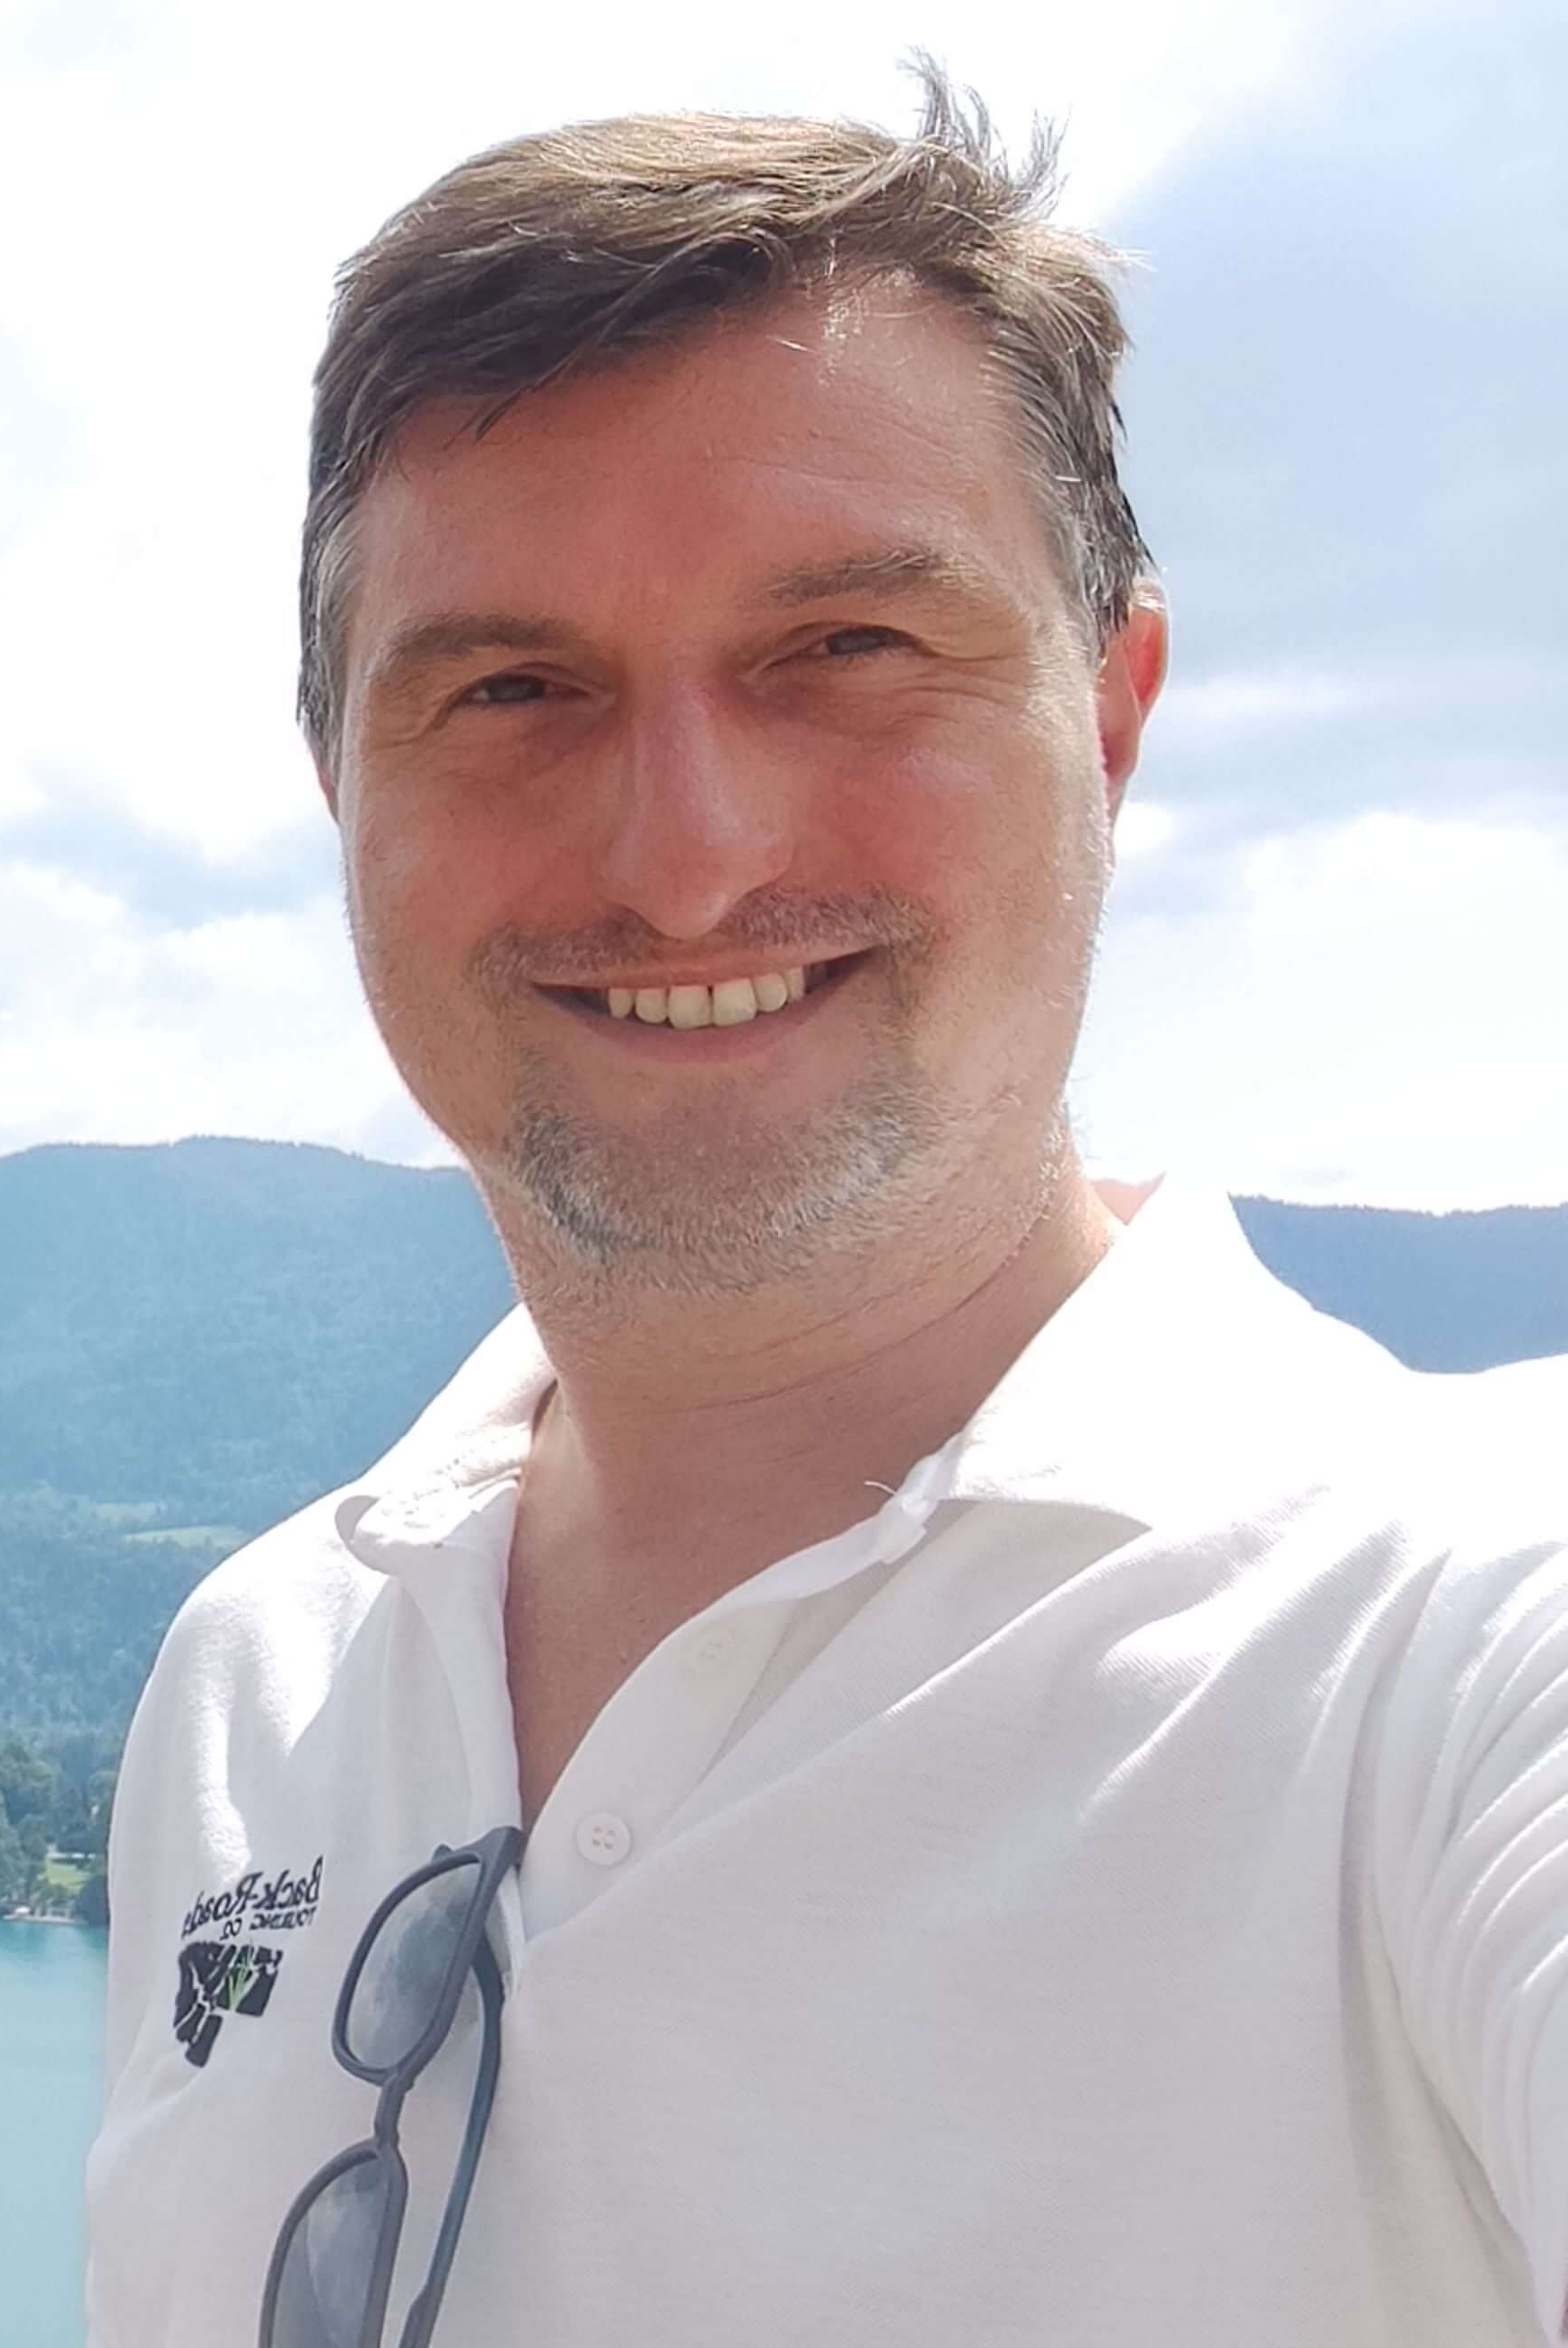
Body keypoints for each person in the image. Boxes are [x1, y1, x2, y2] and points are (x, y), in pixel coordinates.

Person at [82, 74, 1565, 2348]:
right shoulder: (263, 1681)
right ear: (338, 790)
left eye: (847, 650)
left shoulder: (1450, 1651)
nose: (680, 855)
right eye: (507, 688)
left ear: (1112, 703)